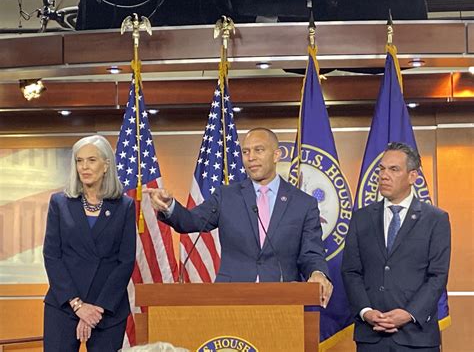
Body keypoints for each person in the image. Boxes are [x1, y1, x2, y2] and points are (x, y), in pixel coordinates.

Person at [145, 127, 333, 307]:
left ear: (277, 155)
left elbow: (311, 252)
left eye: (259, 150)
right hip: (230, 298)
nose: (251, 158)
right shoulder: (226, 196)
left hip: (283, 300)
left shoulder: (303, 203)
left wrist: (318, 273)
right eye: (246, 152)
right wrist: (169, 206)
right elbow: (189, 221)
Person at [342, 142, 451, 352]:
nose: (384, 175)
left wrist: (409, 313)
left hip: (416, 337)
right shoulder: (361, 218)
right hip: (371, 337)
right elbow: (350, 271)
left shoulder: (435, 219)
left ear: (412, 176)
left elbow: (437, 275)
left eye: (394, 169)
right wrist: (366, 312)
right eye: (381, 169)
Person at [43, 135, 136, 351]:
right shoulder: (60, 203)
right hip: (64, 305)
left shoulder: (124, 206)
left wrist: (96, 309)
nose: (84, 167)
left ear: (106, 165)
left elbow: (125, 261)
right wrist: (77, 306)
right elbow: (52, 256)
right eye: (79, 160)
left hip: (106, 308)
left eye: (92, 160)